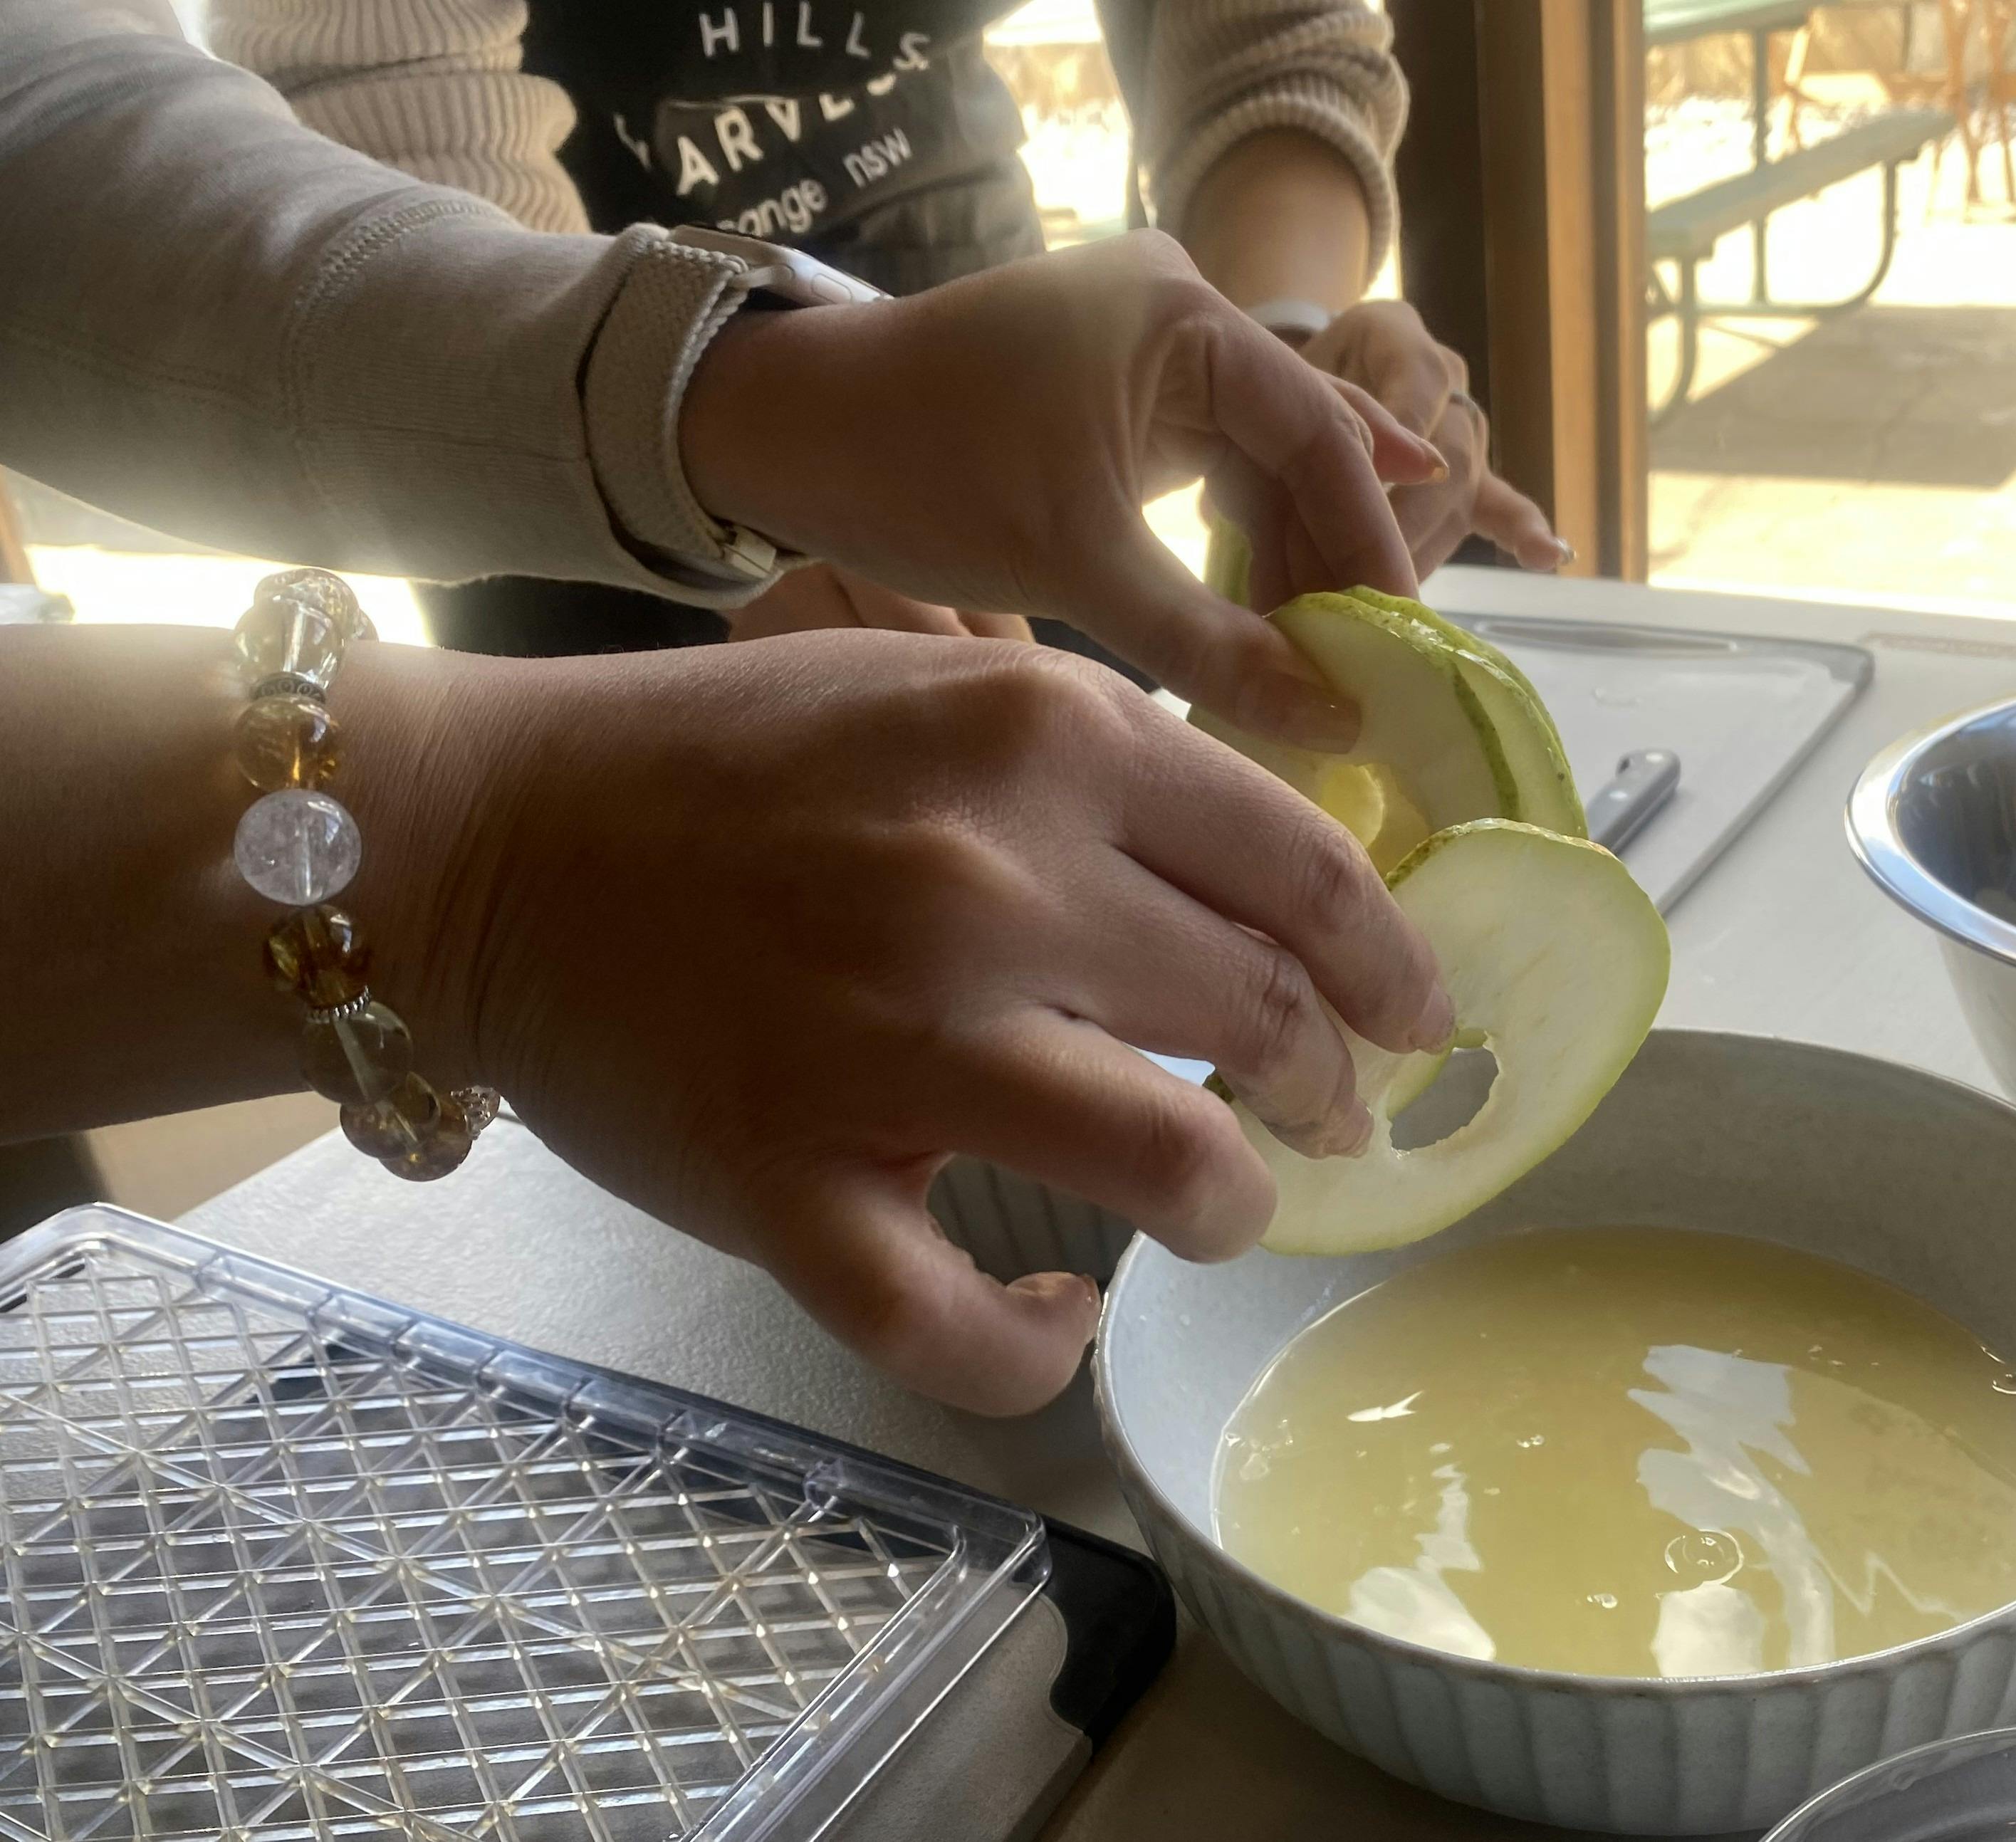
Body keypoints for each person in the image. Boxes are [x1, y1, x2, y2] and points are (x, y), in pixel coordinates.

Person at [1, 1, 1452, 1413]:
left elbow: (46, 109)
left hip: (923, 403)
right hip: (573, 582)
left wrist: (753, 388)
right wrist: (493, 859)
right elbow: (306, 95)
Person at [213, 0, 1567, 658]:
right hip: (552, 487)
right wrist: (701, 472)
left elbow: (1268, 36)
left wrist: (1279, 334)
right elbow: (380, 113)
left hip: (1018, 417)